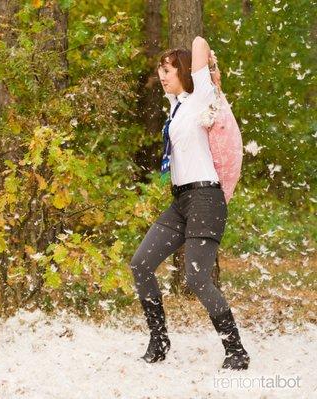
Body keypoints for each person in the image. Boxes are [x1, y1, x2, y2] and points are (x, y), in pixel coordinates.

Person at [128, 37, 249, 370]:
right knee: (140, 264)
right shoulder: (178, 104)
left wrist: (206, 66)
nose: (162, 75)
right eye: (160, 70)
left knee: (197, 277)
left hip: (206, 199)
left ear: (184, 70)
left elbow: (198, 42)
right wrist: (173, 74)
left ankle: (236, 350)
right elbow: (174, 91)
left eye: (168, 69)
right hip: (181, 201)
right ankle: (160, 339)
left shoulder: (200, 98)